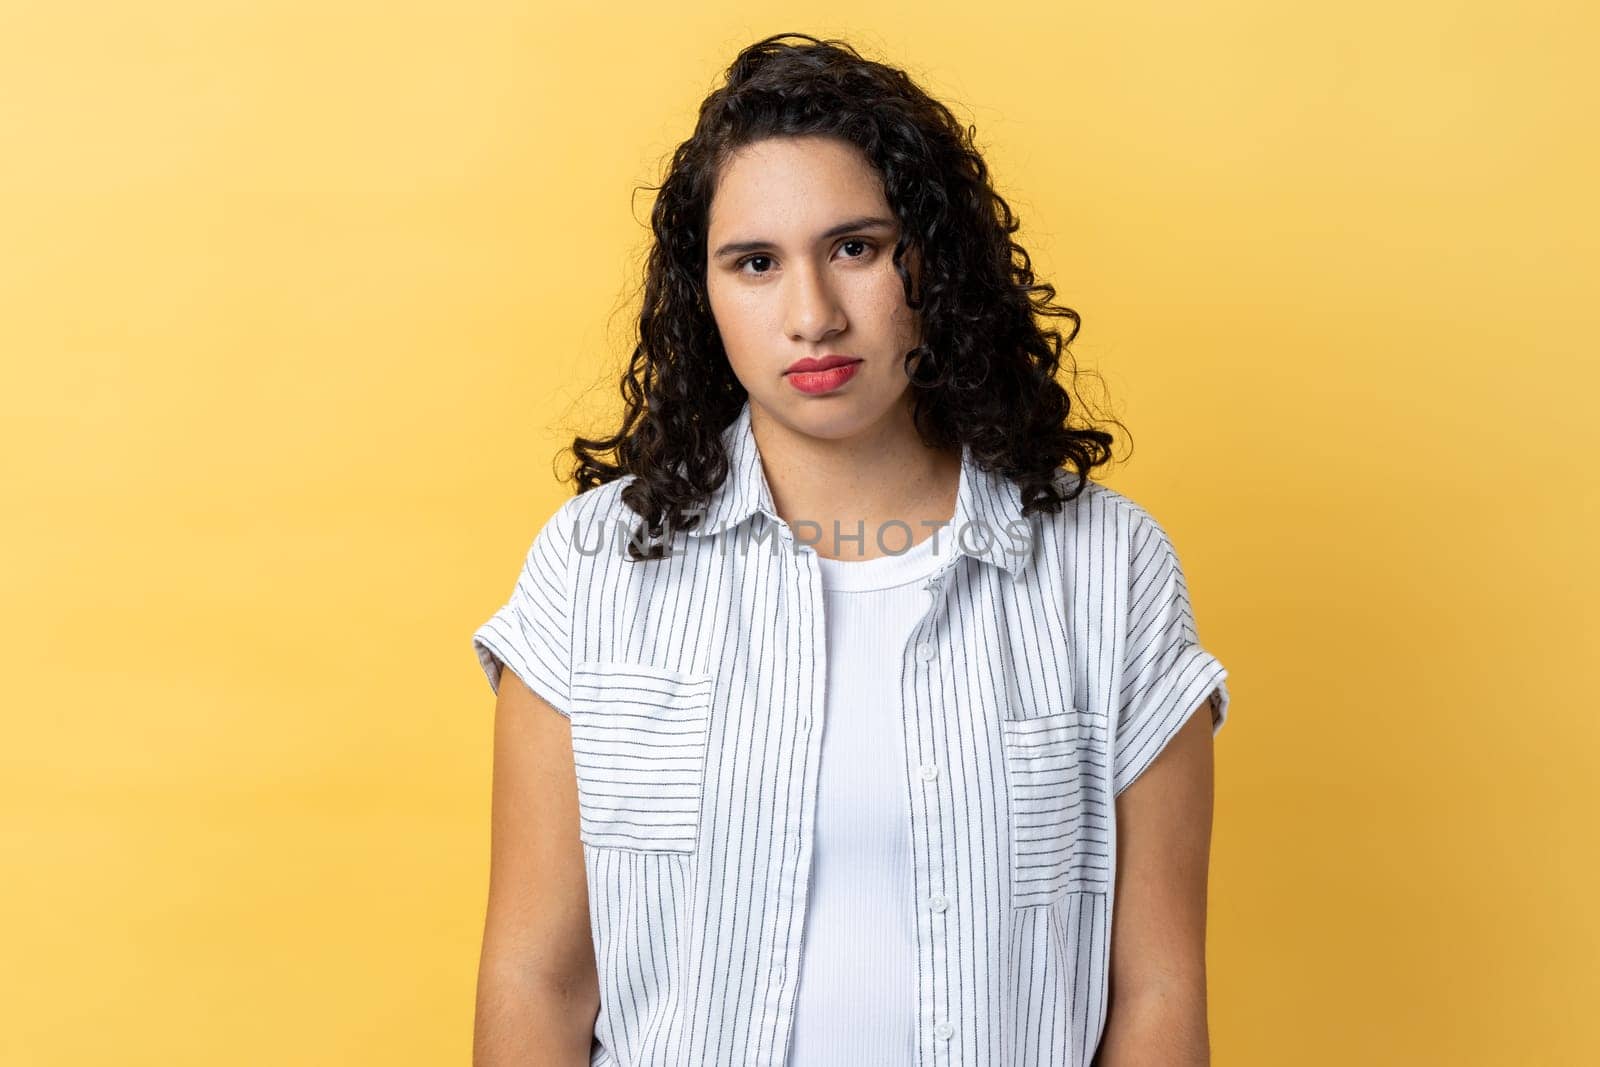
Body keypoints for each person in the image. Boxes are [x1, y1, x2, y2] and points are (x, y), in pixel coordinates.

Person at [470, 32, 1231, 1067]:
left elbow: (1155, 989)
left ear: (932, 259)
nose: (812, 316)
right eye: (755, 263)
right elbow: (535, 980)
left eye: (855, 247)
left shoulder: (1109, 569)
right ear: (705, 295)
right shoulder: (591, 569)